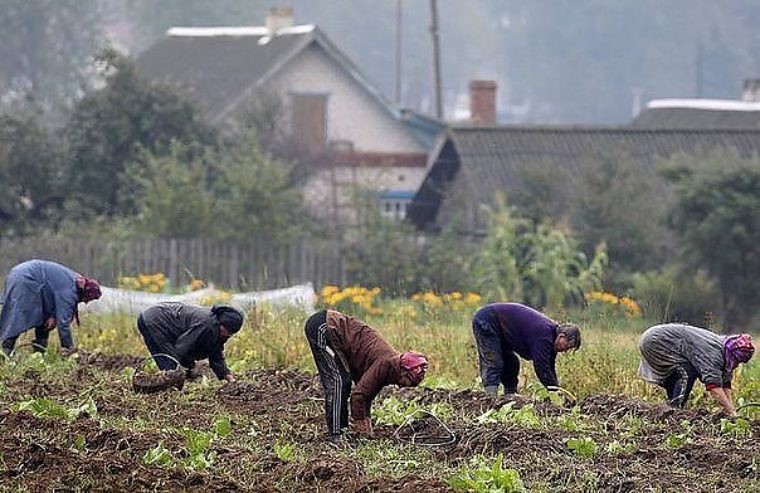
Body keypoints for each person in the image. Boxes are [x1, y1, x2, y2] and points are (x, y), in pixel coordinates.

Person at [304, 309, 428, 444]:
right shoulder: (386, 364)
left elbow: (367, 395)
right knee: (338, 381)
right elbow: (358, 396)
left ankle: (342, 432)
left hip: (330, 328)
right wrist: (361, 426)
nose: (402, 385)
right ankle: (336, 435)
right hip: (323, 327)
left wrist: (367, 423)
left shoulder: (390, 367)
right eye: (407, 382)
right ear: (403, 371)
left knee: (343, 381)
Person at [638, 323, 755, 414]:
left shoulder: (724, 348)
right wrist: (731, 412)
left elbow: (725, 382)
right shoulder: (713, 354)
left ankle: (670, 407)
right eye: (737, 362)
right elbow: (714, 387)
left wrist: (730, 408)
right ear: (732, 355)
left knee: (681, 372)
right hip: (655, 341)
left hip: (658, 339)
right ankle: (676, 410)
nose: (736, 365)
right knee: (688, 371)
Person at [472, 302, 581, 395]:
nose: (565, 350)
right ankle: (490, 400)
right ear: (561, 336)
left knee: (512, 364)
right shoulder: (544, 335)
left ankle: (509, 398)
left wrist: (557, 390)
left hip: (502, 332)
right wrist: (554, 392)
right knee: (494, 362)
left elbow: (549, 367)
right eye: (567, 346)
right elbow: (542, 369)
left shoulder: (551, 339)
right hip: (488, 320)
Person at [0, 259, 101, 356]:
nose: (86, 302)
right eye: (89, 299)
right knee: (17, 318)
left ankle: (38, 356)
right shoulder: (70, 291)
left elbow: (52, 291)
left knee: (45, 321)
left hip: (24, 275)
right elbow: (63, 324)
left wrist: (53, 316)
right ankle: (4, 355)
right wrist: (69, 349)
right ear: (87, 293)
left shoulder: (74, 281)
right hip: (26, 279)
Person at [137, 302, 243, 382]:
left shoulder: (216, 330)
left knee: (176, 369)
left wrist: (228, 376)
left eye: (232, 334)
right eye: (228, 331)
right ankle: (169, 393)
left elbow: (216, 353)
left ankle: (174, 386)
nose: (229, 335)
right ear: (222, 324)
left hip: (153, 318)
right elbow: (183, 347)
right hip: (155, 320)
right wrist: (191, 367)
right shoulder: (207, 324)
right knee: (172, 367)